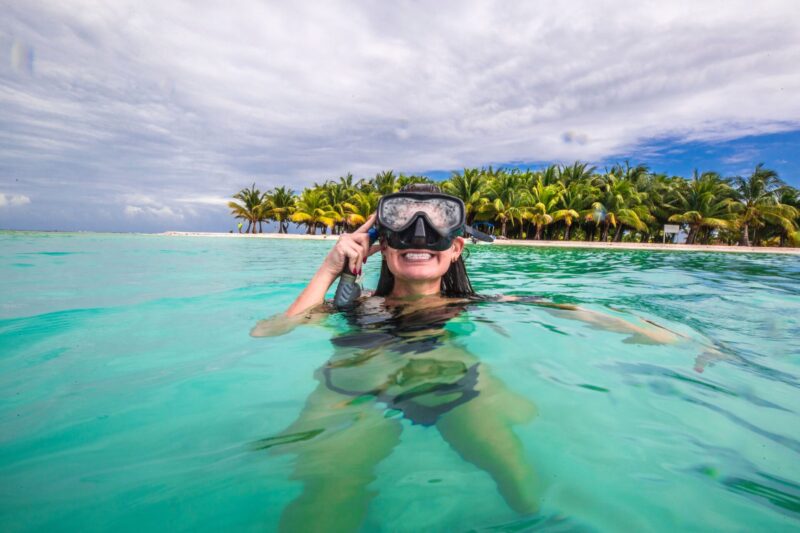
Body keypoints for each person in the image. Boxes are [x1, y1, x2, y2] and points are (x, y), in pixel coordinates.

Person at [252, 184, 677, 531]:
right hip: (354, 393)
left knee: (523, 489)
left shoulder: (475, 303)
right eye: (402, 222)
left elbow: (565, 309)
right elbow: (271, 331)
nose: (419, 234)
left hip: (455, 387)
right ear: (382, 244)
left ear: (457, 247)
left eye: (436, 223)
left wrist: (652, 333)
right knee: (328, 494)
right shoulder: (356, 303)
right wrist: (329, 269)